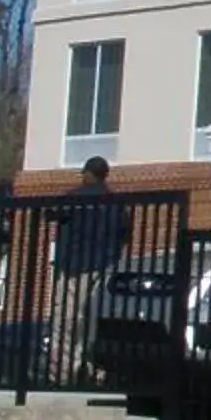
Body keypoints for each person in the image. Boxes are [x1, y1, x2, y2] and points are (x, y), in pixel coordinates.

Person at [44, 157, 128, 386]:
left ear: (89, 174)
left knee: (66, 318)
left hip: (74, 265)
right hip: (102, 267)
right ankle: (83, 365)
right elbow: (123, 234)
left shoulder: (75, 197)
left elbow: (50, 213)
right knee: (88, 318)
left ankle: (62, 374)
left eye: (84, 174)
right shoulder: (116, 203)